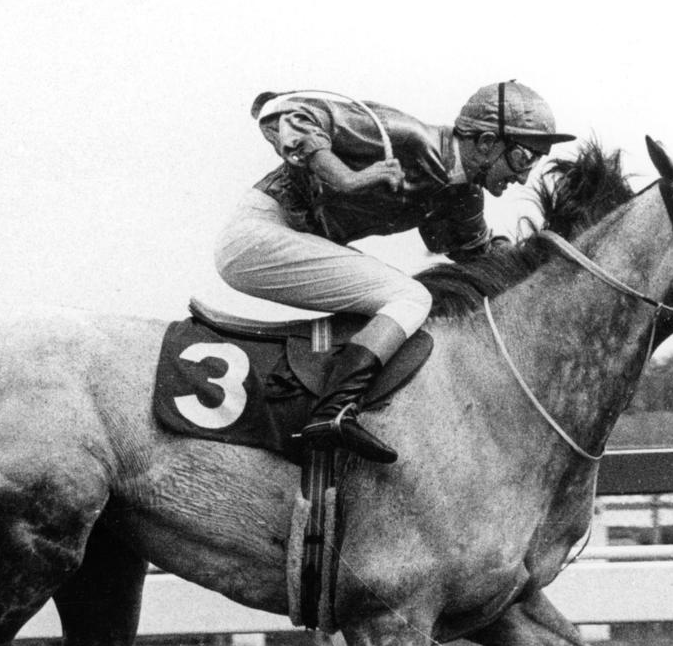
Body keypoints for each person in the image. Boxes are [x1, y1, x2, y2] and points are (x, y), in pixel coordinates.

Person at [215, 81, 575, 463]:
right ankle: (331, 414)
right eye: (523, 158)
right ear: (486, 142)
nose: (524, 177)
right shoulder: (410, 139)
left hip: (292, 239)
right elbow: (285, 110)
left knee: (399, 301)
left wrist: (547, 261)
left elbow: (479, 252)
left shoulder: (462, 195)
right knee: (410, 296)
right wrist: (343, 177)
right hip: (259, 233)